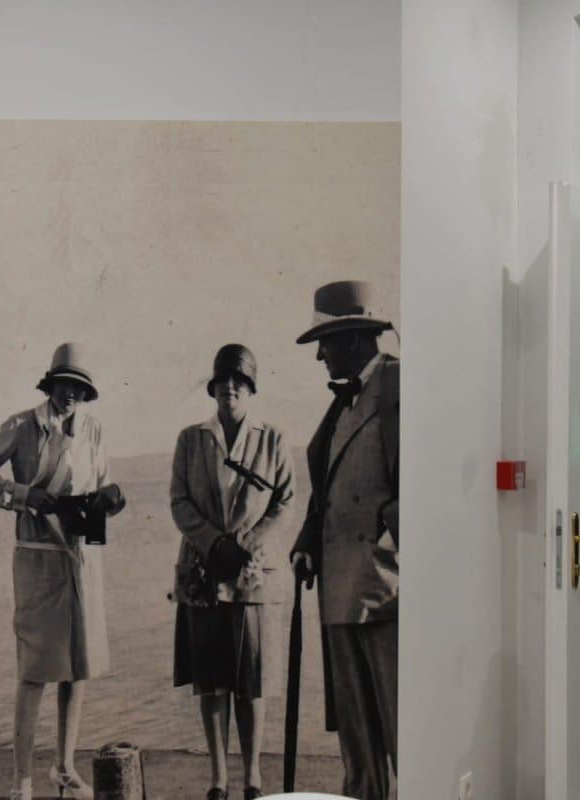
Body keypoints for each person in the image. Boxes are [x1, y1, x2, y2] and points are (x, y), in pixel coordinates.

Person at [0, 342, 126, 800]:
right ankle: (21, 779)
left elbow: (100, 487)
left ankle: (64, 768)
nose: (70, 393)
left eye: (78, 387)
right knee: (34, 670)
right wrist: (22, 494)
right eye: (64, 384)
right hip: (36, 556)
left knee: (78, 667)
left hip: (81, 557)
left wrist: (111, 499)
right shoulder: (21, 426)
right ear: (50, 384)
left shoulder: (93, 429)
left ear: (86, 392)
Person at [171, 343, 297, 800]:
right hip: (203, 573)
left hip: (254, 572)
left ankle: (253, 777)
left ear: (251, 389)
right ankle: (219, 779)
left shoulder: (273, 438)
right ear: (213, 388)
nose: (230, 388)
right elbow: (179, 502)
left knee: (252, 679)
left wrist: (245, 544)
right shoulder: (190, 439)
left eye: (239, 381)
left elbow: (286, 500)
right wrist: (213, 543)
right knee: (211, 681)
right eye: (223, 380)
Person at [290, 280, 399, 800]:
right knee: (357, 741)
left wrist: (391, 542)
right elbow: (328, 485)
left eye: (324, 344)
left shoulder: (401, 384)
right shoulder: (341, 403)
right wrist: (308, 539)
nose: (320, 357)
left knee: (405, 728)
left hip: (386, 592)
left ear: (352, 338)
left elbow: (429, 480)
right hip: (339, 590)